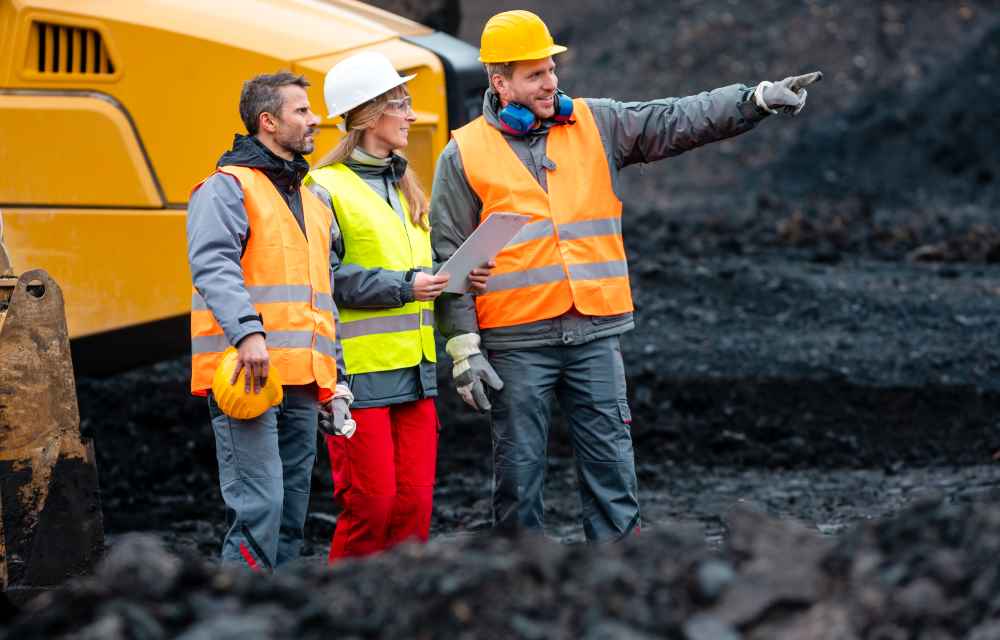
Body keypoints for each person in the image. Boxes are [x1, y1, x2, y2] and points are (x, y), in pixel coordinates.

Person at [430, 10, 821, 542]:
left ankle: (620, 576)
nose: (551, 82)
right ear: (500, 83)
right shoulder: (464, 152)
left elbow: (676, 119)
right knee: (518, 476)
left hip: (594, 332)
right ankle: (519, 579)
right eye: (536, 75)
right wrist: (463, 348)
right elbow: (449, 252)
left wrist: (753, 100)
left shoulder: (596, 123)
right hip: (517, 342)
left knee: (612, 467)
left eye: (551, 70)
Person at [306, 51, 492, 562]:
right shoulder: (322, 189)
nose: (411, 114)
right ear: (369, 115)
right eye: (401, 104)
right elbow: (321, 279)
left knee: (413, 510)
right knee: (372, 508)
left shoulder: (407, 186)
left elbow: (420, 268)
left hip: (415, 373)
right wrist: (406, 286)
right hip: (358, 377)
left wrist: (458, 275)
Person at [187, 71, 354, 569]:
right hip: (248, 375)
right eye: (301, 111)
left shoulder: (313, 200)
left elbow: (320, 298)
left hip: (303, 381)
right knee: (260, 507)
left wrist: (336, 380)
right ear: (268, 121)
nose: (314, 119)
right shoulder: (226, 188)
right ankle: (237, 616)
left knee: (290, 516)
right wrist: (248, 334)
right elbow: (213, 266)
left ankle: (273, 614)